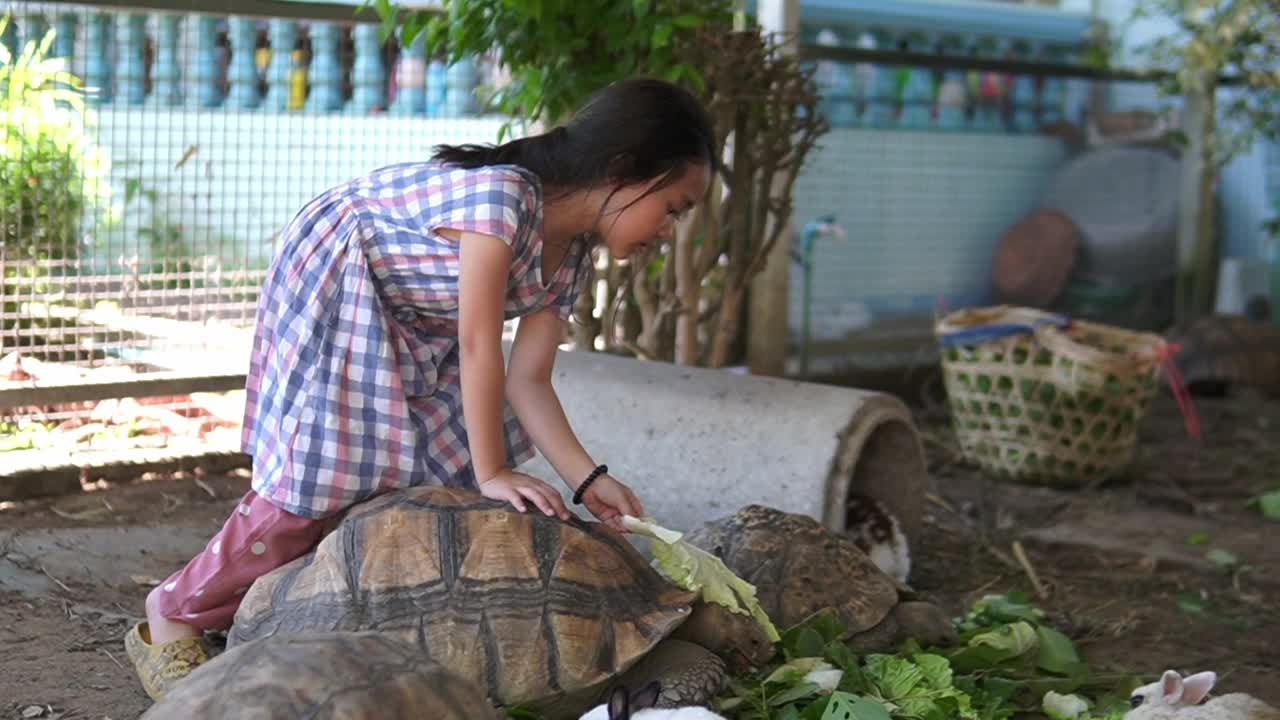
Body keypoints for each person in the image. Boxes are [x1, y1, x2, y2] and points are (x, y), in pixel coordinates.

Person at [122, 76, 718, 701]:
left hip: (410, 320)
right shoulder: (503, 199)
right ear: (625, 169)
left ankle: (310, 615)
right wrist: (492, 471)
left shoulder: (570, 260)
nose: (670, 228)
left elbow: (529, 380)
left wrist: (589, 481)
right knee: (317, 478)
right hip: (341, 275)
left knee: (440, 470)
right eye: (673, 206)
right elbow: (479, 344)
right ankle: (175, 612)